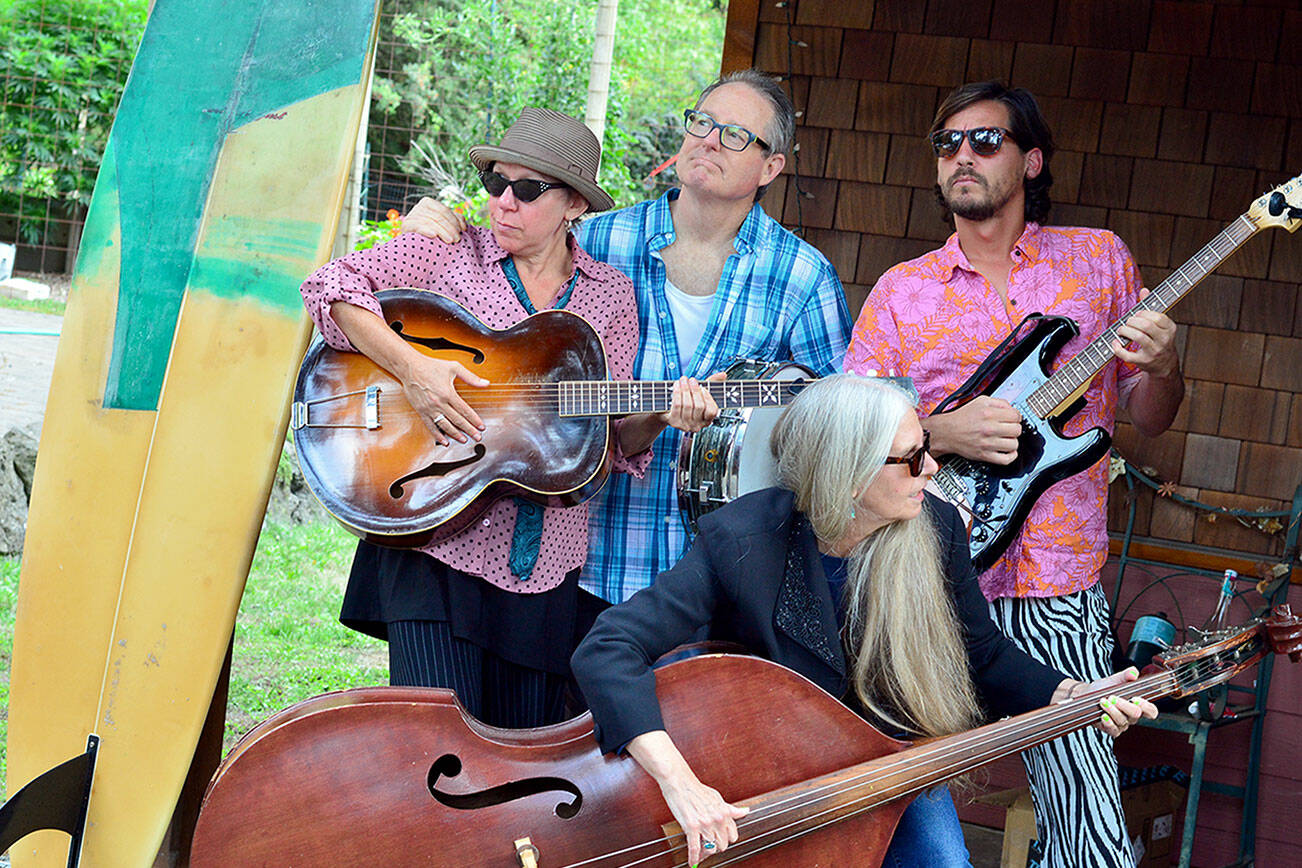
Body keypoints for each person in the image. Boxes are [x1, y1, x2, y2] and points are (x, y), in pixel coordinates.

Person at [570, 374, 1157, 867]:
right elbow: (608, 647)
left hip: (889, 761)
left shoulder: (937, 528)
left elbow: (982, 655)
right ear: (848, 472)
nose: (932, 469)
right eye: (911, 458)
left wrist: (1073, 693)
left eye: (926, 447)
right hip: (771, 780)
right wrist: (683, 784)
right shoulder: (745, 538)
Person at [844, 82, 1184, 868]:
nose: (962, 155)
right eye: (947, 143)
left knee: (1086, 812)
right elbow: (847, 433)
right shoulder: (903, 291)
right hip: (920, 574)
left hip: (1056, 585)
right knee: (887, 785)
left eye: (985, 141)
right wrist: (937, 427)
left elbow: (1151, 414)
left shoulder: (1097, 261)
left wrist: (1167, 367)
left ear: (1031, 160)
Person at [297, 107, 714, 729]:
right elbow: (330, 288)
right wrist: (414, 368)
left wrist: (657, 416)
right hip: (436, 534)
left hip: (547, 565)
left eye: (526, 189)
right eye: (496, 183)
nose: (503, 203)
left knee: (519, 763)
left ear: (574, 203)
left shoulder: (612, 297)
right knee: (435, 749)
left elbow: (608, 443)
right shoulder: (447, 255)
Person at [402, 69, 852, 604]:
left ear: (770, 166)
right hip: (588, 561)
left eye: (734, 134)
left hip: (723, 579)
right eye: (702, 122)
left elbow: (831, 425)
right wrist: (427, 237)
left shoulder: (804, 277)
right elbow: (493, 348)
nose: (709, 138)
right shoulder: (593, 240)